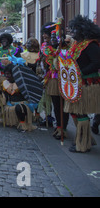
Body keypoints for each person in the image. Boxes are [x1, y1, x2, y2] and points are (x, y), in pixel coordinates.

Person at [64, 15, 100, 153]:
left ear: (83, 30)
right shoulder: (77, 45)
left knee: (81, 112)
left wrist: (79, 72)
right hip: (75, 83)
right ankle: (85, 138)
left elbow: (96, 63)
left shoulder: (91, 45)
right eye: (71, 30)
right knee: (75, 111)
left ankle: (83, 144)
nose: (72, 33)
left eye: (74, 30)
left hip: (87, 83)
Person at [40, 22, 67, 140]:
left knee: (65, 105)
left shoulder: (67, 48)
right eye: (46, 35)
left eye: (55, 37)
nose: (46, 37)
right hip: (53, 79)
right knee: (56, 104)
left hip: (65, 79)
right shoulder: (47, 49)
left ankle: (63, 127)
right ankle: (59, 126)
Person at [1, 63, 37, 132]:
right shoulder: (5, 83)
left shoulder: (22, 82)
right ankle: (13, 121)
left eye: (8, 74)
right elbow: (5, 97)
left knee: (20, 107)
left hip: (23, 105)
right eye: (6, 74)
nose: (7, 76)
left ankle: (22, 124)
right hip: (11, 104)